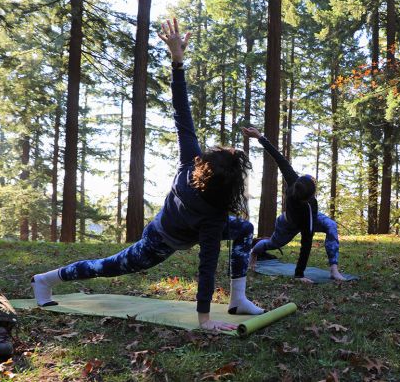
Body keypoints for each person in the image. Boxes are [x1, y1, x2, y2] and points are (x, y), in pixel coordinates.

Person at [31, 19, 263, 331]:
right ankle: (44, 280)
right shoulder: (212, 209)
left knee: (244, 229)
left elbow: (183, 113)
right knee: (110, 266)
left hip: (178, 226)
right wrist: (204, 320)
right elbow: (206, 266)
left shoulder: (193, 169)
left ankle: (238, 299)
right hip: (160, 239)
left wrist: (177, 62)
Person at [241, 126, 346, 283]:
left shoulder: (293, 181)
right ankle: (253, 253)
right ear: (310, 196)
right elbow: (306, 243)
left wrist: (259, 137)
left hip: (310, 218)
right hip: (288, 223)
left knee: (330, 225)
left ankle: (334, 269)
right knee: (273, 243)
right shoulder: (308, 208)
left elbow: (279, 159)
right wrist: (299, 274)